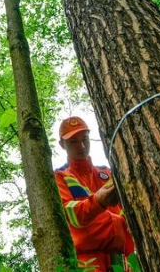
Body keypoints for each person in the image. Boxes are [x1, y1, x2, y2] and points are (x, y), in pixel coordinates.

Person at [54, 116, 135, 271]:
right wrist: (99, 202)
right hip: (88, 262)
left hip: (125, 259)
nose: (82, 145)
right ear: (62, 144)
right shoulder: (60, 177)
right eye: (73, 141)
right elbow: (72, 215)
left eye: (85, 138)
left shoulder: (107, 172)